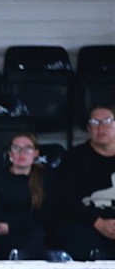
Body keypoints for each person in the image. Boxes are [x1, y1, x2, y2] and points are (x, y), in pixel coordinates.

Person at [47, 105, 115, 260]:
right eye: (94, 122)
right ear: (88, 129)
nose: (101, 127)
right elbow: (65, 199)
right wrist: (98, 223)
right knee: (71, 236)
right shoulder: (74, 157)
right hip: (88, 222)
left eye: (107, 121)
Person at [0, 132, 48, 259]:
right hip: (3, 234)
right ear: (10, 153)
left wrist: (13, 226)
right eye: (16, 148)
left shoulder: (45, 179)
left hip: (34, 233)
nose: (21, 153)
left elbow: (46, 215)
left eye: (28, 148)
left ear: (36, 153)